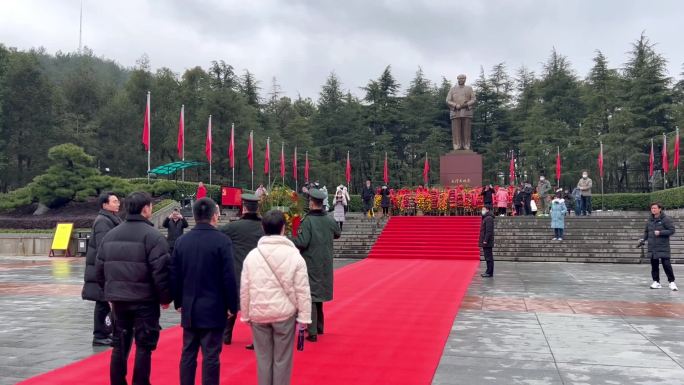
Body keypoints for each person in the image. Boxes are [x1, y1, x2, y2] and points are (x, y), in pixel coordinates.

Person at [95, 192, 171, 385]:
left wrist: (108, 293)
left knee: (119, 345)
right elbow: (160, 271)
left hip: (119, 300)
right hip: (145, 301)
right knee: (144, 346)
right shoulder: (153, 236)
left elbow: (100, 268)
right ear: (145, 208)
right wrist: (165, 298)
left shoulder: (111, 235)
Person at [171, 198, 239, 385]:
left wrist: (178, 301)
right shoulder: (222, 241)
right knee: (211, 355)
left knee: (188, 353)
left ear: (194, 216)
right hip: (214, 307)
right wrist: (232, 305)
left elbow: (175, 274)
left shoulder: (182, 241)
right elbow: (228, 277)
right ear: (215, 216)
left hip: (190, 306)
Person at [241, 210, 312, 385]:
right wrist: (304, 317)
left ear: (262, 227)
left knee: (263, 360)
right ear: (283, 228)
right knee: (282, 360)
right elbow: (302, 289)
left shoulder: (252, 256)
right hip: (284, 314)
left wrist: (246, 314)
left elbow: (245, 288)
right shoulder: (295, 255)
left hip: (259, 313)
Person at [292, 188, 341, 342]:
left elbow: (302, 242)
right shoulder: (329, 219)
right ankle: (319, 327)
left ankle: (312, 331)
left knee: (311, 296)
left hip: (310, 262)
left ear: (312, 203)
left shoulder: (308, 221)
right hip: (325, 263)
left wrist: (288, 238)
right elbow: (338, 233)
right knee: (318, 295)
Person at [219, 193, 265, 348]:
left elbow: (218, 235)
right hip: (259, 271)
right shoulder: (264, 226)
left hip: (237, 270)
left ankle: (226, 335)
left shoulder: (233, 227)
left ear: (244, 208)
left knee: (231, 303)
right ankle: (257, 339)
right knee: (256, 305)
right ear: (257, 208)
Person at [82, 192, 121, 346]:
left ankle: (105, 332)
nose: (118, 203)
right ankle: (99, 335)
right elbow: (103, 246)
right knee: (102, 302)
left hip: (103, 268)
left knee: (104, 302)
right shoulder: (103, 221)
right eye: (114, 201)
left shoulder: (111, 218)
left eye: (118, 201)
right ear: (105, 205)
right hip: (101, 269)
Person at [640, 202, 678, 291]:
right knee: (654, 265)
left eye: (655, 208)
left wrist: (660, 232)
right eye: (652, 208)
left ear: (660, 209)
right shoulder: (650, 220)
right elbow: (646, 231)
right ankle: (656, 282)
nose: (653, 209)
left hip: (663, 246)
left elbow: (672, 230)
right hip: (652, 247)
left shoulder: (665, 219)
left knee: (666, 265)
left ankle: (671, 282)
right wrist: (643, 239)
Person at [446, 74, 477, 150]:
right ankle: (457, 145)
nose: (461, 80)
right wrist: (455, 105)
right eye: (460, 78)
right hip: (455, 112)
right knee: (456, 130)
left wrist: (466, 104)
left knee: (466, 130)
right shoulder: (452, 89)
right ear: (457, 79)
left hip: (466, 112)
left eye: (463, 78)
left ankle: (466, 145)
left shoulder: (469, 88)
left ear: (465, 79)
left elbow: (474, 99)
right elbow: (447, 100)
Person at [479, 204, 495, 277]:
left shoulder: (488, 218)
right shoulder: (486, 218)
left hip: (487, 241)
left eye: (483, 209)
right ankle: (488, 271)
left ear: (487, 209)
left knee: (488, 257)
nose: (482, 210)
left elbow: (489, 231)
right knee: (487, 257)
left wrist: (485, 240)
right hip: (486, 241)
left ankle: (489, 272)